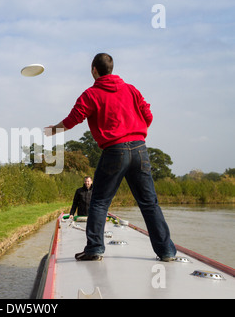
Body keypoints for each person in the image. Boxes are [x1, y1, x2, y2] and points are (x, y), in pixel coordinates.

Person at [45, 53, 176, 262]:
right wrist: (136, 133)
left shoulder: (91, 94)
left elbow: (74, 118)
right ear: (111, 69)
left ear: (94, 70)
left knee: (99, 201)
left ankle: (95, 248)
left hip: (115, 151)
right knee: (149, 203)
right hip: (140, 148)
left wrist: (54, 130)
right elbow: (148, 114)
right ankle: (167, 251)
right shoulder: (131, 89)